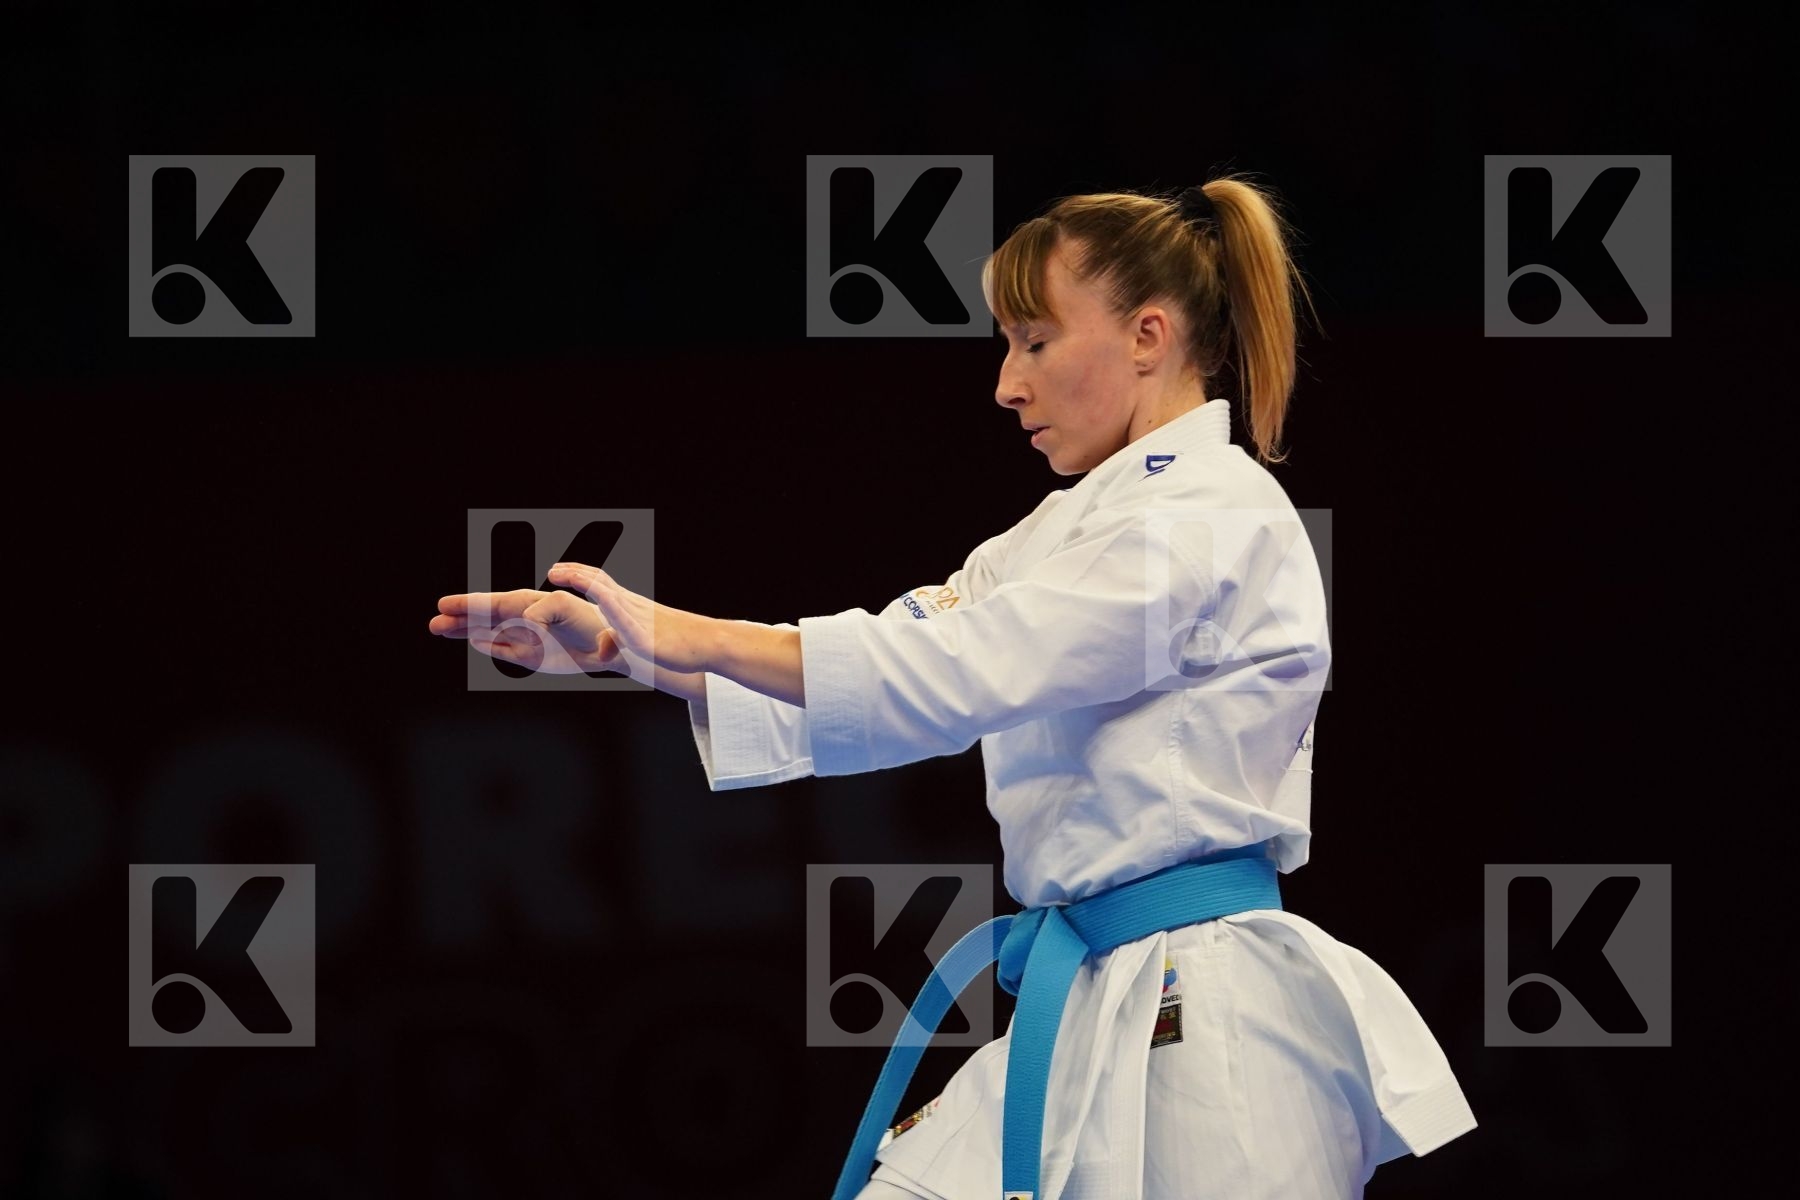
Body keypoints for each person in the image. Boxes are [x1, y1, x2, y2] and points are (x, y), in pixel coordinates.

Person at [429, 175, 1477, 1200]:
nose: (1005, 384)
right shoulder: (1056, 535)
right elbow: (894, 662)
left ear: (1148, 338)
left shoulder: (1210, 519)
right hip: (1085, 994)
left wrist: (671, 629)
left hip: (1209, 1019)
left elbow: (956, 673)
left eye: (1034, 341)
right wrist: (628, 652)